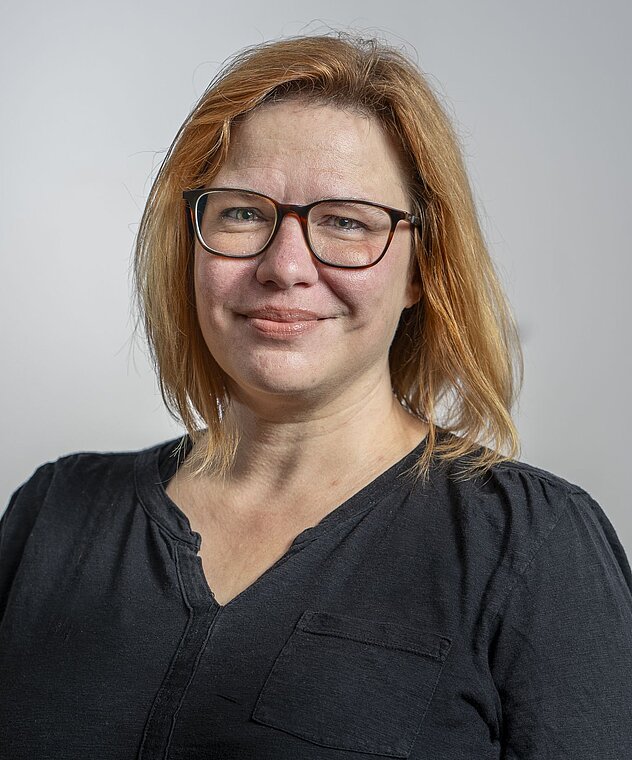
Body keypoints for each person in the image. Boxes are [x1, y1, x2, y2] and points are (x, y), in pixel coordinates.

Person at [1, 33, 631, 760]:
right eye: (243, 213)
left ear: (421, 269)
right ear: (192, 242)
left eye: (346, 221)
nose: (285, 266)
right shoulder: (54, 514)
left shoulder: (530, 544)